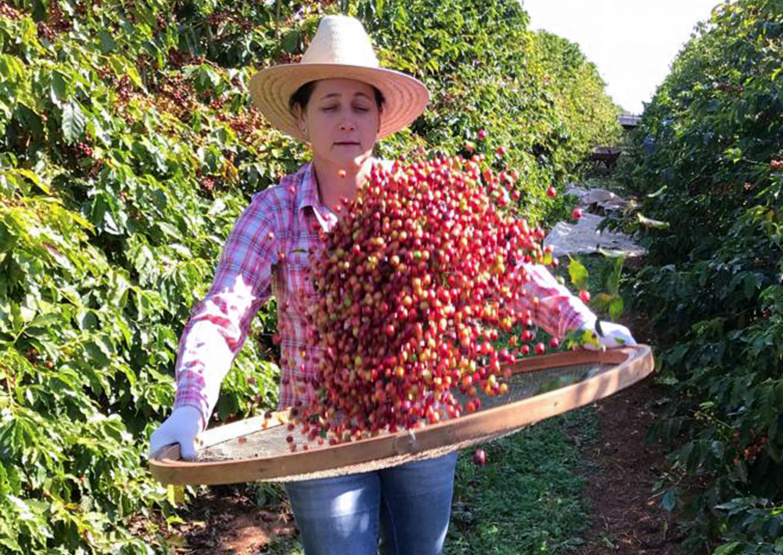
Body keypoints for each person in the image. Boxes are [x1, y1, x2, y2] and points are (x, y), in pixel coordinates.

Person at [148, 15, 636, 555]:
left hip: (421, 422)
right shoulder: (274, 212)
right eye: (329, 105)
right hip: (319, 434)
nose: (346, 120)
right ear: (302, 118)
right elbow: (224, 311)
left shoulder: (420, 201)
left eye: (361, 105)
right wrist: (191, 404)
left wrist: (579, 322)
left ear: (381, 119)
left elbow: (501, 268)